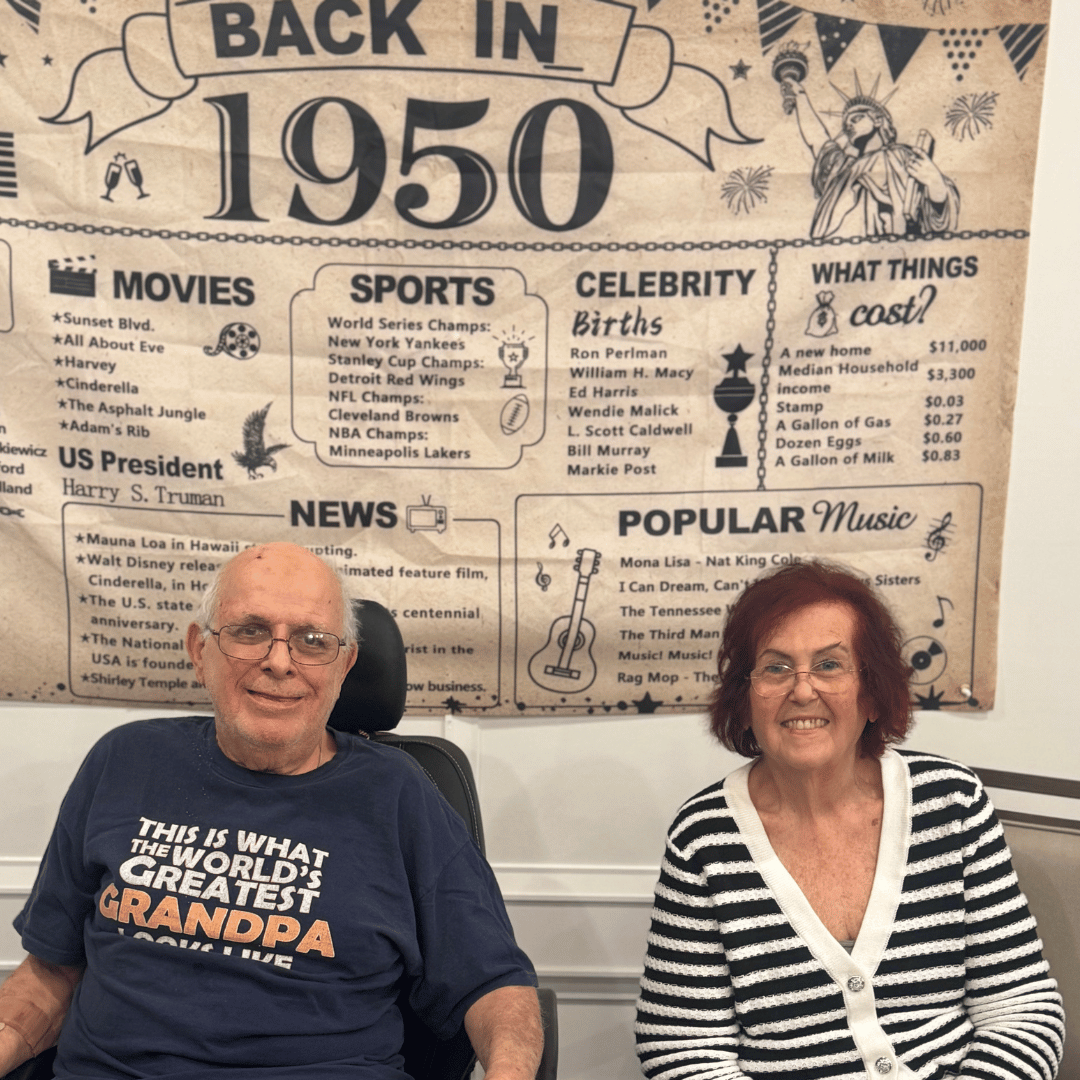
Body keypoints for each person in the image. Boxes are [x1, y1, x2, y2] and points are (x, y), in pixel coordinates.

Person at [0, 543, 542, 1079]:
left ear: (345, 662)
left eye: (312, 641)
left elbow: (495, 987)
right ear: (199, 650)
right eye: (250, 631)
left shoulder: (400, 795)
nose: (280, 662)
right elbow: (51, 972)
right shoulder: (124, 761)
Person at [635, 561, 1064, 1080]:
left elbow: (1022, 1011)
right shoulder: (704, 837)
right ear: (745, 701)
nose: (802, 690)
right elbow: (680, 1048)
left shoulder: (950, 803)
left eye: (830, 665)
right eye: (776, 667)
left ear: (872, 692)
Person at [784, 77, 960, 238]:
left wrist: (935, 182)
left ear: (877, 121)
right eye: (846, 124)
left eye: (856, 119)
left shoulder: (900, 156)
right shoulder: (844, 168)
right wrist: (800, 95)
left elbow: (935, 213)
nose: (848, 126)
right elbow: (817, 140)